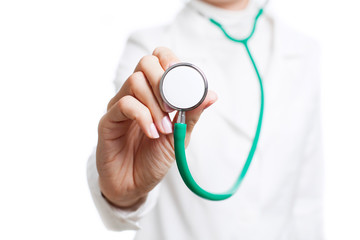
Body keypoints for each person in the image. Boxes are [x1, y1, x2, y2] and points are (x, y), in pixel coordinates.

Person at [87, 0, 324, 239]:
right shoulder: (148, 51)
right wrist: (123, 195)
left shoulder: (303, 51)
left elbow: (307, 200)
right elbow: (129, 152)